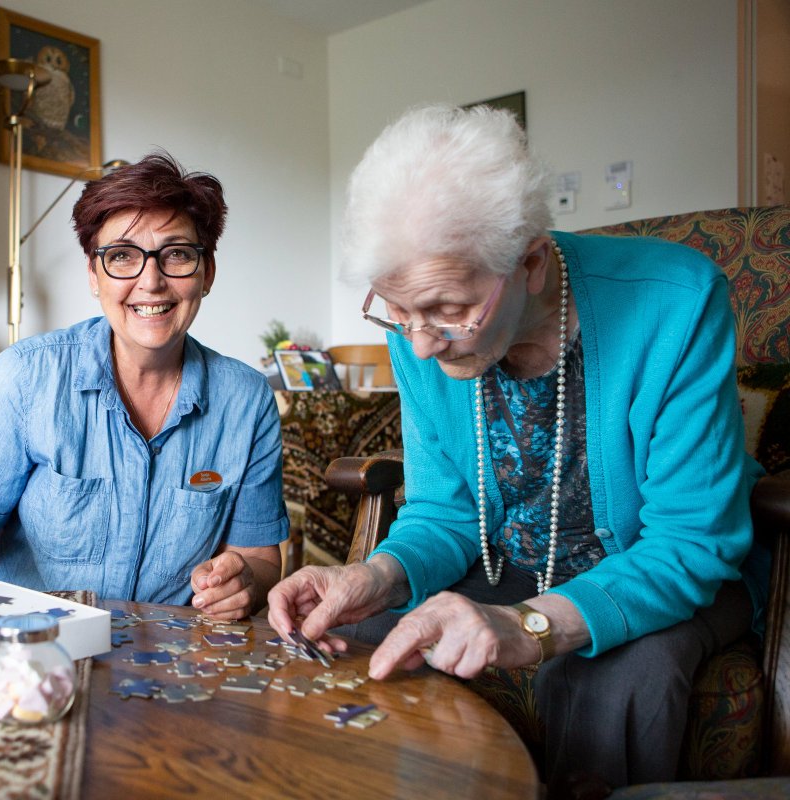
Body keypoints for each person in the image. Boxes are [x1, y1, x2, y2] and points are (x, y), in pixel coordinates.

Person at [267, 104, 766, 795]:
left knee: (616, 679)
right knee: (373, 634)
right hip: (509, 562)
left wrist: (529, 626)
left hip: (660, 571)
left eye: (448, 310)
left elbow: (690, 543)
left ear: (530, 261)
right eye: (398, 312)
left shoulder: (676, 301)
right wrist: (373, 576)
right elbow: (444, 512)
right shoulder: (417, 332)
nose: (418, 344)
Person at [0, 152, 288, 618]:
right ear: (93, 275)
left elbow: (261, 558)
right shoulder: (25, 377)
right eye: (122, 256)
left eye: (177, 255)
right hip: (36, 652)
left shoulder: (247, 400)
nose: (151, 281)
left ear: (206, 273)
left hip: (173, 662)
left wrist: (246, 581)